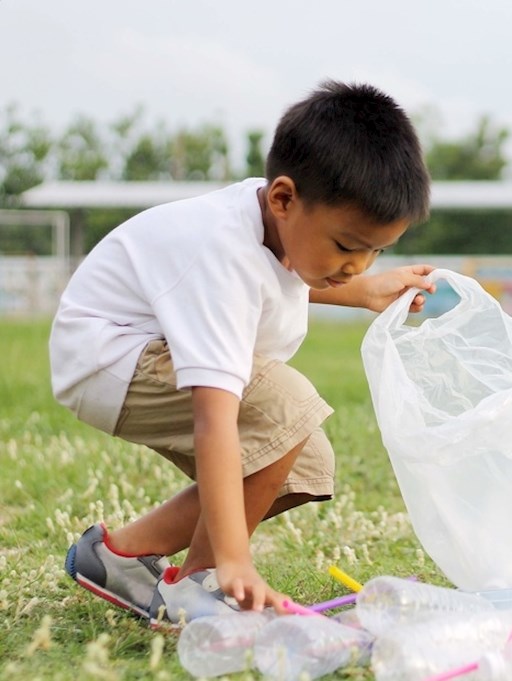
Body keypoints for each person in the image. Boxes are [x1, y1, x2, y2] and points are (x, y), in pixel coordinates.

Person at [50, 80, 435, 628]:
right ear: (283, 198)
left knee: (304, 460)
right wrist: (234, 558)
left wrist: (363, 290)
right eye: (349, 246)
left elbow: (287, 269)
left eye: (377, 250)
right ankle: (204, 582)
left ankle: (120, 553)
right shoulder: (219, 252)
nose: (359, 263)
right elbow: (216, 419)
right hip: (109, 358)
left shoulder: (281, 219)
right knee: (288, 407)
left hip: (137, 352)